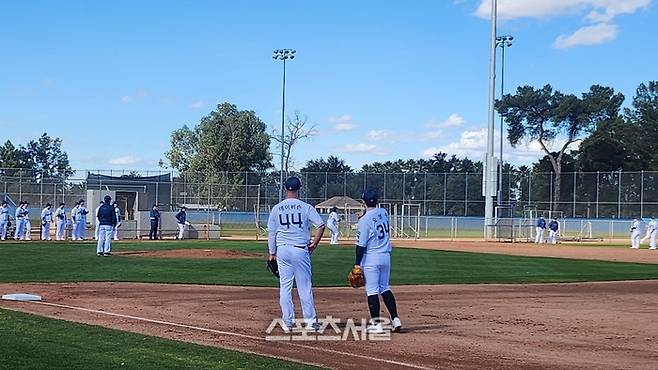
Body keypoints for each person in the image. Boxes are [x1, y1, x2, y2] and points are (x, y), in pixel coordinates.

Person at [267, 176, 326, 330]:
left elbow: (272, 233)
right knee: (304, 286)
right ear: (300, 189)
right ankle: (311, 323)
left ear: (285, 189)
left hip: (282, 250)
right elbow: (321, 225)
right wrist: (314, 244)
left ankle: (287, 322)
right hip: (300, 249)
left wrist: (272, 253)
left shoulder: (277, 208)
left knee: (285, 286)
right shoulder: (305, 207)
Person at [354, 189, 402, 334]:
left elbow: (361, 246)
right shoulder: (384, 212)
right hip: (385, 256)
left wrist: (357, 263)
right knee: (385, 287)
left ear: (363, 202)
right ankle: (395, 319)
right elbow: (374, 217)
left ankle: (376, 324)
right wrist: (364, 215)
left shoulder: (364, 221)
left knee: (372, 291)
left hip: (371, 258)